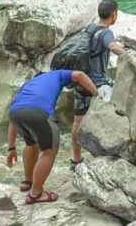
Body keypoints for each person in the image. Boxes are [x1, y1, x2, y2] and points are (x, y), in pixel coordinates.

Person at [6, 69, 97, 205]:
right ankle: (36, 194)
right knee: (49, 151)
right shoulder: (57, 74)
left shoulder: (27, 85)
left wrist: (11, 148)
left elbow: (11, 122)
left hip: (15, 113)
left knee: (31, 144)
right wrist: (96, 94)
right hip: (39, 111)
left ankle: (28, 182)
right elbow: (79, 75)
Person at [70, 0, 126, 166]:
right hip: (98, 82)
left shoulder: (89, 28)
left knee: (77, 121)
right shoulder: (105, 32)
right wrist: (131, 57)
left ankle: (76, 158)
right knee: (118, 111)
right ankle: (113, 154)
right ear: (114, 14)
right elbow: (113, 47)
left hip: (81, 79)